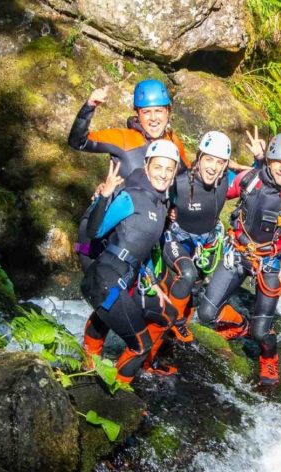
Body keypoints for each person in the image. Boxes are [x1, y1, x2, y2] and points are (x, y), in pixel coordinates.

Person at [69, 79, 190, 365]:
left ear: (169, 112)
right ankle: (91, 358)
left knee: (126, 298)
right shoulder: (124, 139)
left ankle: (137, 357)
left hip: (134, 233)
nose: (154, 117)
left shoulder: (174, 146)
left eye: (159, 110)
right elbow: (78, 141)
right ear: (137, 114)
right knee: (107, 295)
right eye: (147, 112)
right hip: (101, 231)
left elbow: (181, 180)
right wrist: (89, 107)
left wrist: (171, 210)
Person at [197, 131, 281, 387]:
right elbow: (215, 192)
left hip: (271, 262)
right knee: (206, 313)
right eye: (277, 161)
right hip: (238, 253)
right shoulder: (249, 179)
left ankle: (269, 357)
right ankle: (240, 325)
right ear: (269, 160)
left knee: (261, 331)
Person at [80, 140, 181, 384]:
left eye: (169, 169)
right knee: (140, 344)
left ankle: (95, 362)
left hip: (126, 278)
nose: (163, 174)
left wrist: (152, 280)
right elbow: (94, 231)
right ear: (146, 166)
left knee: (168, 314)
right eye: (158, 167)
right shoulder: (129, 196)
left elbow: (140, 249)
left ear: (175, 171)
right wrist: (104, 197)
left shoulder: (161, 204)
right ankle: (118, 392)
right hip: (104, 279)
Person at [157, 130, 236, 347]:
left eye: (219, 162)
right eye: (208, 159)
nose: (212, 167)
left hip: (207, 242)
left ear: (225, 164)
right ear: (199, 158)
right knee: (188, 274)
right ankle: (172, 321)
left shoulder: (226, 180)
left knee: (196, 285)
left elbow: (255, 183)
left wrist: (258, 161)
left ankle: (184, 318)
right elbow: (150, 193)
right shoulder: (179, 183)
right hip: (177, 237)